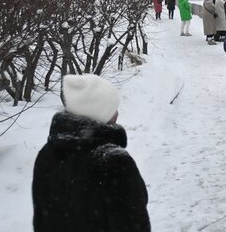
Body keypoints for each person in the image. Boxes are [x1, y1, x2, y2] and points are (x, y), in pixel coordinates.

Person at [32, 74, 150, 231]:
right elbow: (133, 224)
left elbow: (42, 220)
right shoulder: (114, 162)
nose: (117, 113)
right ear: (99, 114)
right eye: (112, 109)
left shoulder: (47, 154)